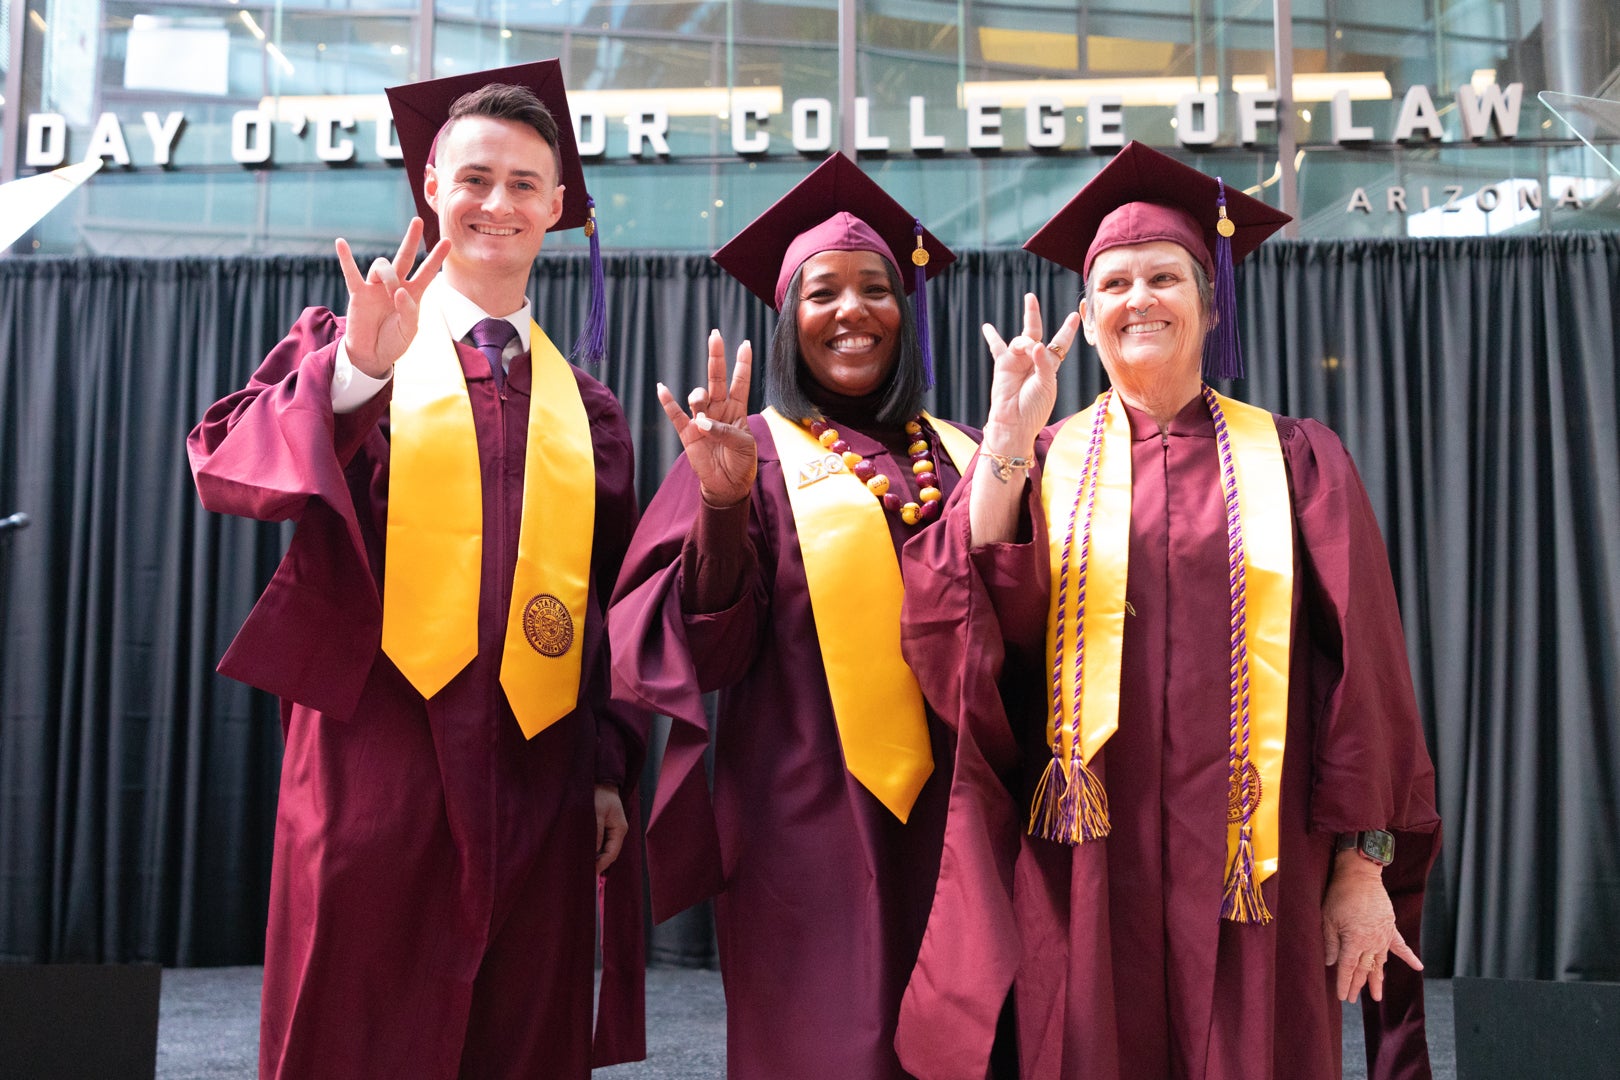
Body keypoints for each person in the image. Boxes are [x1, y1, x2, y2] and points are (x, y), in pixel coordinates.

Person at [892, 142, 1441, 1080]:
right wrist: (1007, 445)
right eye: (1113, 282)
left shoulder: (1298, 460)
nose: (1138, 297)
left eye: (1163, 277)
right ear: (1088, 315)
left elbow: (1366, 678)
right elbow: (970, 627)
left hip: (1255, 861)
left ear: (1209, 300)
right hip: (1086, 861)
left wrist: (1363, 868)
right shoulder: (1044, 458)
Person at [186, 61, 644, 1080]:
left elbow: (604, 602)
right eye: (474, 177)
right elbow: (223, 462)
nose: (498, 202)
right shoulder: (353, 343)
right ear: (430, 188)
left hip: (539, 764)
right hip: (375, 755)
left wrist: (609, 765)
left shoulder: (589, 411)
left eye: (526, 183)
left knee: (519, 1029)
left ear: (559, 207)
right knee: (357, 1020)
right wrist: (359, 373)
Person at [609, 152, 980, 1079]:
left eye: (876, 288)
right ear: (788, 320)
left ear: (906, 310)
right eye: (822, 292)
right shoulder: (751, 456)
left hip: (962, 818)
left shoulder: (973, 455)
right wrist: (724, 508)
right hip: (805, 820)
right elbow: (702, 649)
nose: (852, 310)